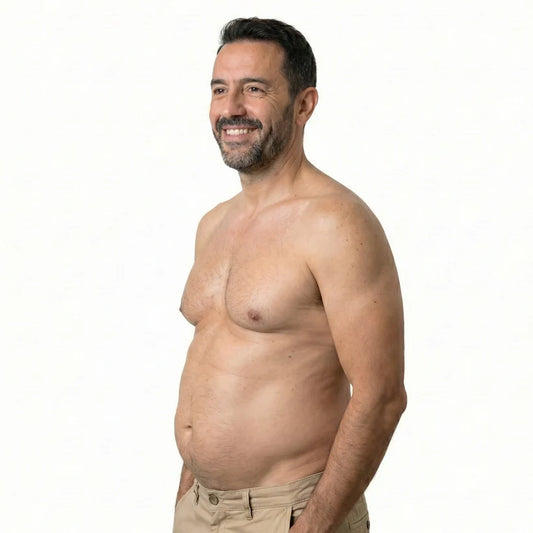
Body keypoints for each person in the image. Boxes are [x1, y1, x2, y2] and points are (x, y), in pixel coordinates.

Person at [172, 17, 406, 533]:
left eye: (254, 89)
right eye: (219, 89)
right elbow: (214, 365)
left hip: (291, 512)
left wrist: (313, 525)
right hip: (200, 511)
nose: (231, 108)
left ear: (304, 105)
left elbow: (382, 396)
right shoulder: (213, 225)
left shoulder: (337, 223)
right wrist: (187, 495)